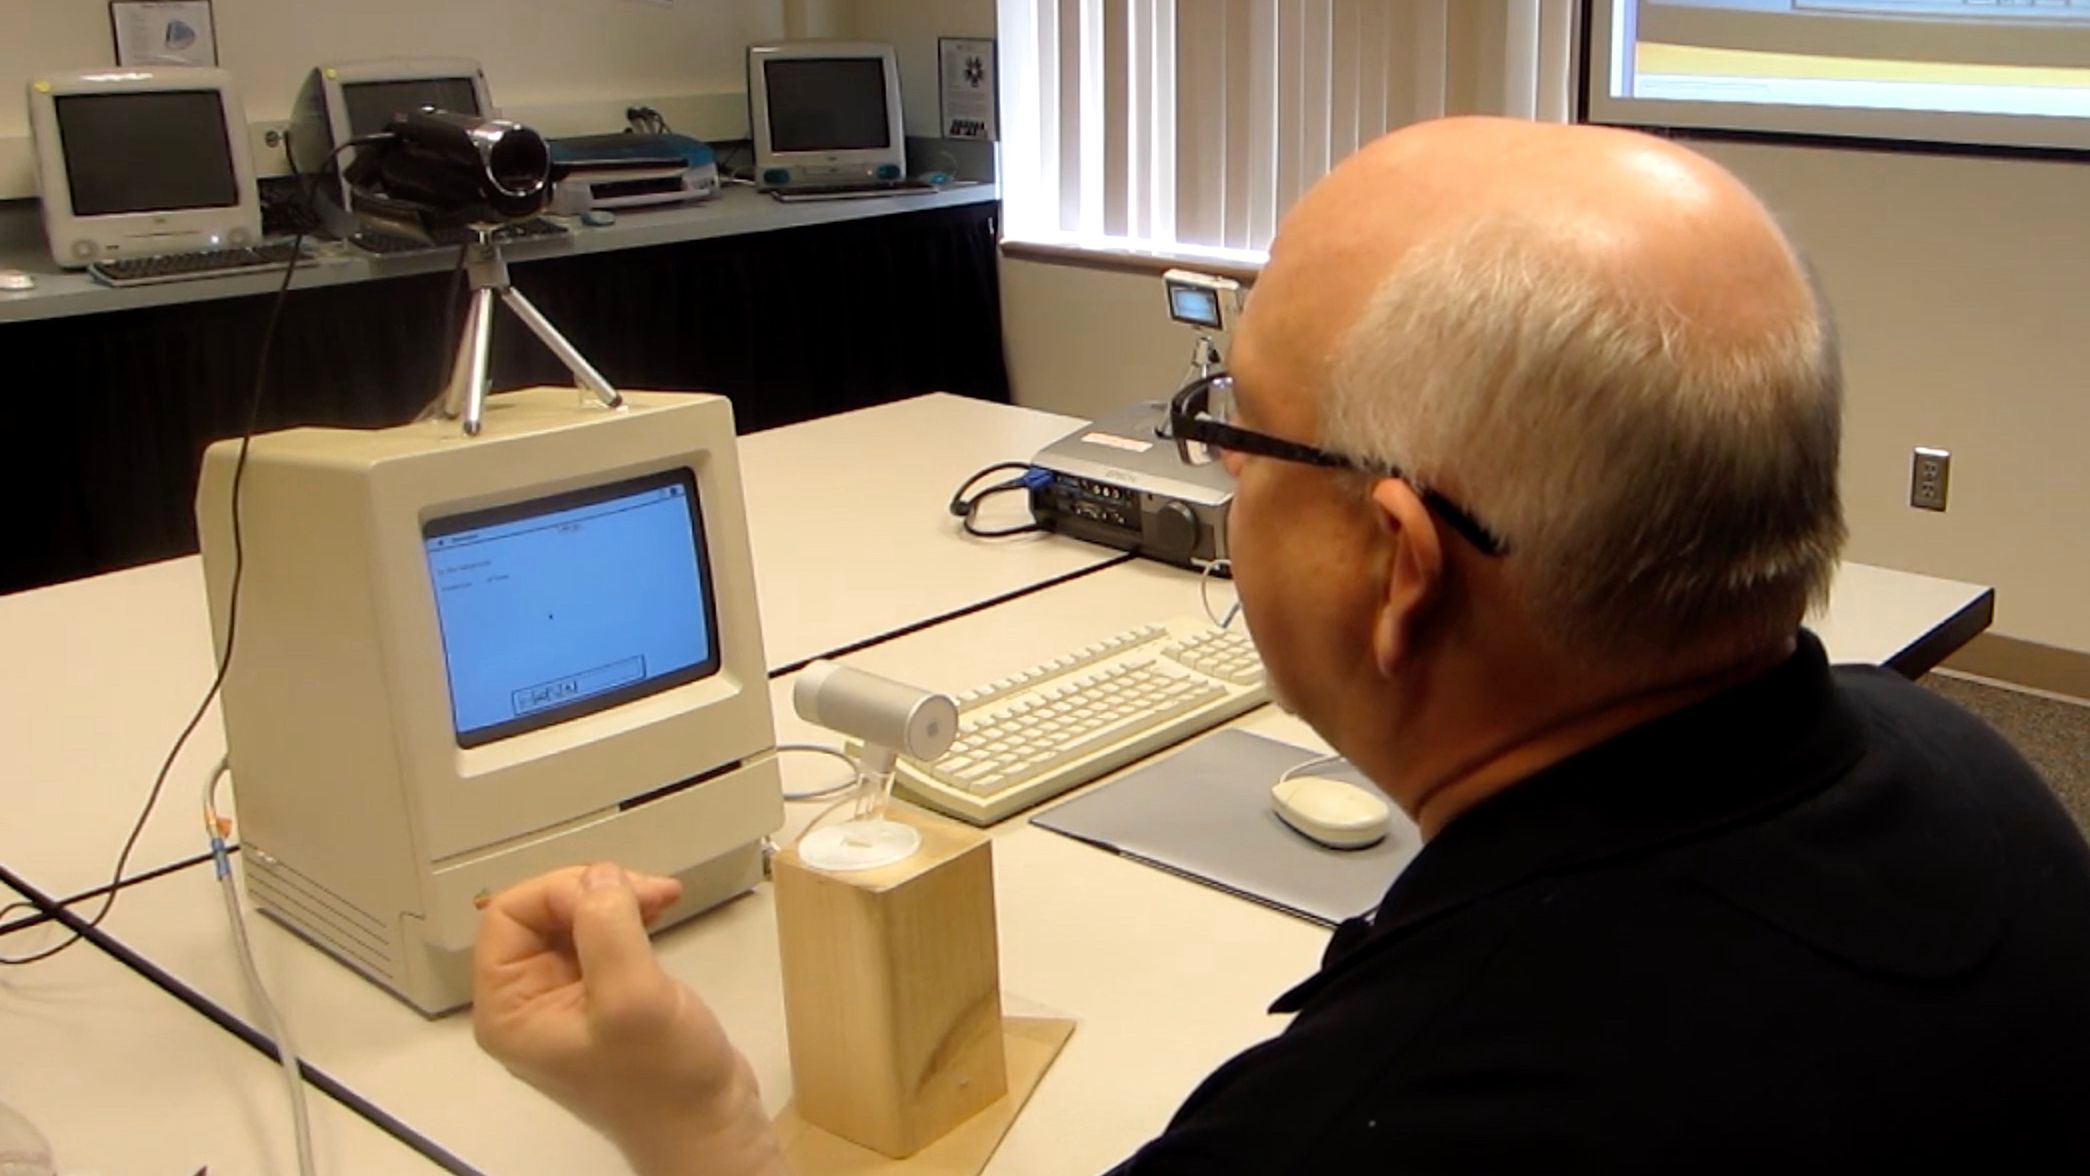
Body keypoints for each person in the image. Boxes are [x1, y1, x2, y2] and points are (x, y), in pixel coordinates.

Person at [471, 117, 2090, 1173]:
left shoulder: (1380, 1117)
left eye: (1236, 429)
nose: (1218, 473)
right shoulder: (1958, 767)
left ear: (1395, 566)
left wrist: (695, 1124)